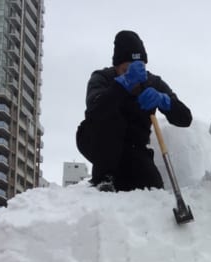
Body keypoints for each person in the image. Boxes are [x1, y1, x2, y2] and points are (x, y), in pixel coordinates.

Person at [76, 30, 192, 192]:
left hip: (133, 148)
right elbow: (95, 109)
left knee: (153, 188)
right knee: (111, 117)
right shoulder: (102, 78)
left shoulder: (153, 82)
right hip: (98, 142)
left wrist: (165, 101)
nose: (135, 77)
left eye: (139, 70)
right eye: (126, 70)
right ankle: (104, 177)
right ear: (116, 67)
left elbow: (185, 118)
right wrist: (122, 85)